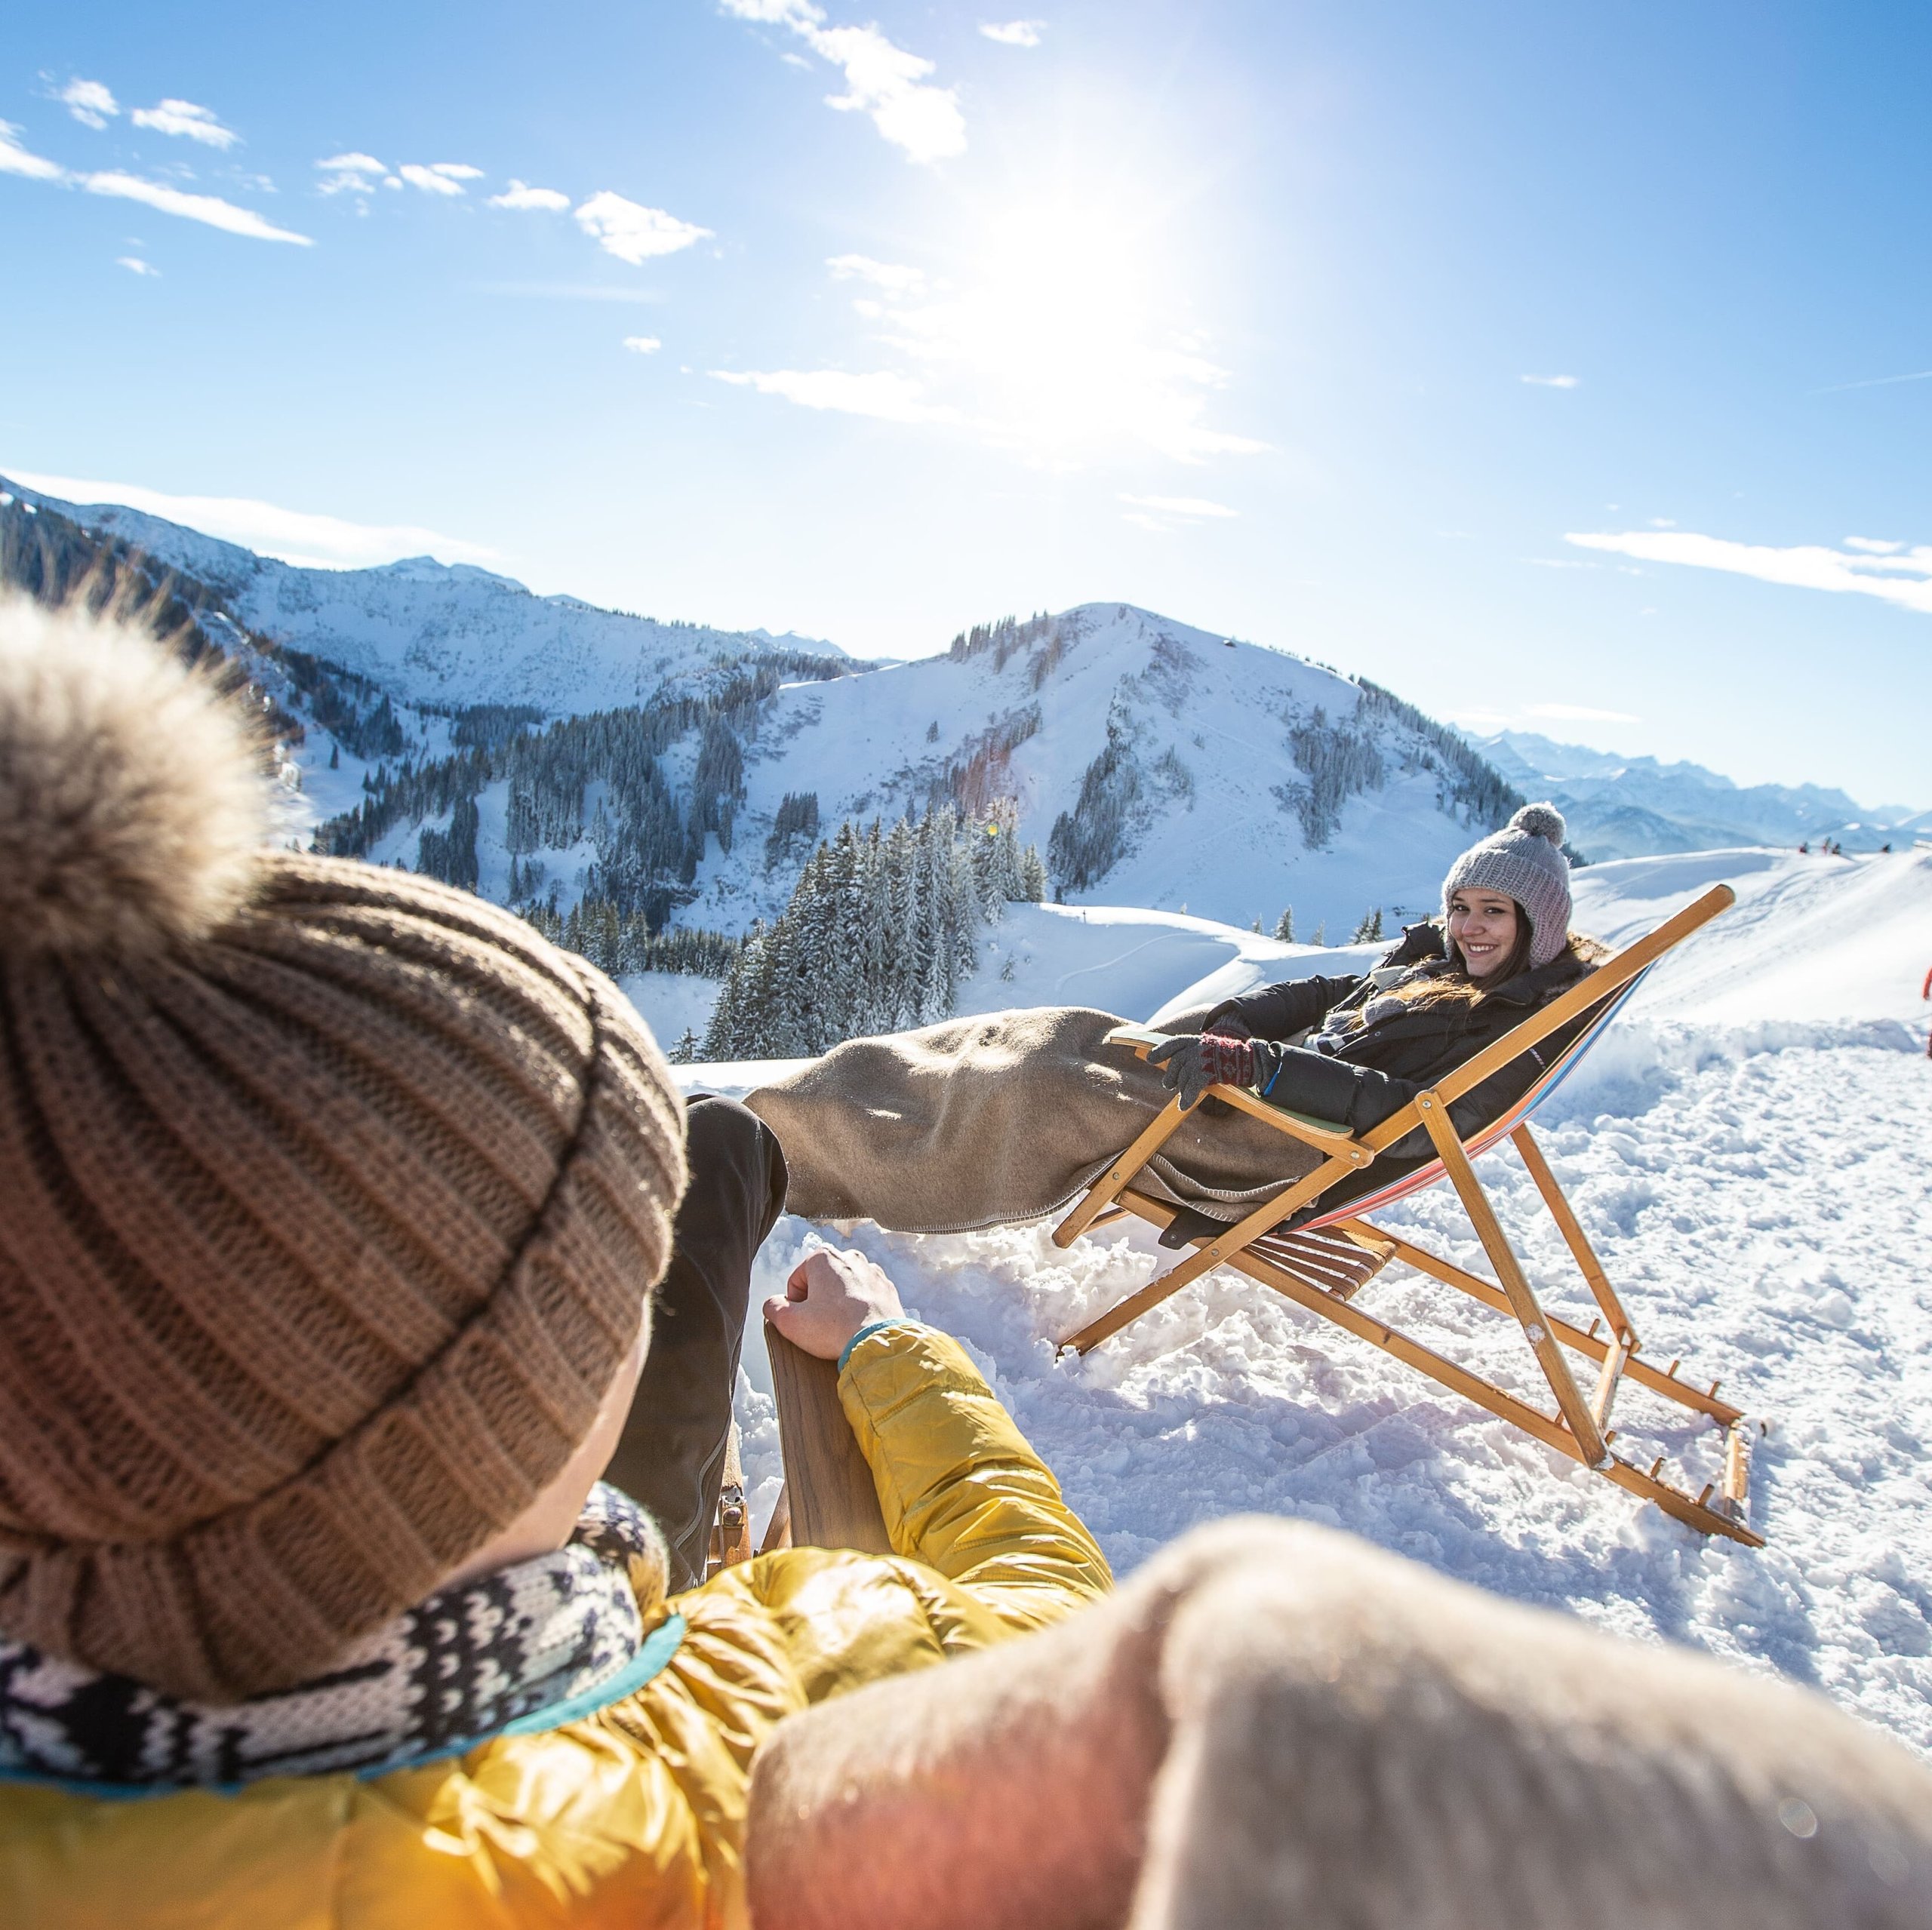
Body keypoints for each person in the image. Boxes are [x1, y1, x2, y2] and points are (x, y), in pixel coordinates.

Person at [0, 594, 1110, 1926]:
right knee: (725, 1151)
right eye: (603, 1300)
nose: (638, 1324)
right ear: (488, 1429)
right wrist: (885, 1346)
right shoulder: (782, 1715)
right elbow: (1054, 1617)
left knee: (720, 1145)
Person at [1146, 804, 1606, 1191]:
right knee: (1125, 1038)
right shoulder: (1444, 971)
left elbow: (1425, 1120)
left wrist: (1264, 1067)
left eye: (1494, 911)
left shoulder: (1516, 1026)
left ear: (1537, 926)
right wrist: (1236, 1025)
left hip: (1288, 1145)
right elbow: (1338, 992)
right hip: (1269, 1099)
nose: (1468, 928)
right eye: (1461, 908)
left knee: (1080, 1065)